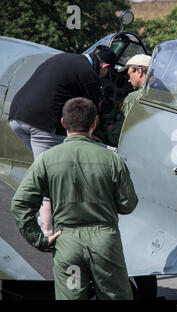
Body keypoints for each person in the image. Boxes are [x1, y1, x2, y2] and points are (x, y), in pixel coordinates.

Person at [10, 97, 138, 300]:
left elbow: (20, 204)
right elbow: (128, 204)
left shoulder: (46, 159)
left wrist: (40, 240)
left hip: (66, 242)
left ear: (63, 123)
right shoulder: (112, 159)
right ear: (94, 124)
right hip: (105, 243)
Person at [8, 45, 117, 237]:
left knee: (45, 167)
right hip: (42, 124)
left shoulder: (64, 58)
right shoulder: (89, 75)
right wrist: (91, 136)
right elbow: (90, 114)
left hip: (16, 117)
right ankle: (48, 231)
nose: (104, 76)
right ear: (105, 65)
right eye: (106, 72)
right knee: (52, 176)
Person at [107, 54, 151, 146]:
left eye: (129, 75)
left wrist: (110, 131)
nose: (129, 81)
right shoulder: (168, 95)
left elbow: (116, 137)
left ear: (139, 71)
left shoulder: (133, 97)